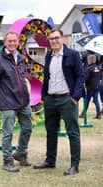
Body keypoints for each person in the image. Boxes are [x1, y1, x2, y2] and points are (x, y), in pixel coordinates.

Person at [33, 29, 85, 176]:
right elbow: (47, 76)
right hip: (50, 99)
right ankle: (50, 161)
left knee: (72, 132)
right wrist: (44, 96)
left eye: (56, 38)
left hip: (67, 99)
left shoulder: (73, 55)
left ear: (62, 39)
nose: (54, 41)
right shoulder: (49, 55)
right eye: (51, 39)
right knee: (50, 131)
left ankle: (74, 165)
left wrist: (75, 97)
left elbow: (80, 76)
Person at [0, 31, 33, 172]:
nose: (12, 43)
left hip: (23, 101)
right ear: (5, 43)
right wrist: (1, 98)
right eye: (10, 41)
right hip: (8, 102)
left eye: (15, 41)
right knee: (8, 133)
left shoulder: (20, 57)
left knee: (28, 128)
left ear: (18, 42)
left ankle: (21, 153)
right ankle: (7, 161)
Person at [79, 54, 101, 119]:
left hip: (90, 87)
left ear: (89, 60)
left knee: (87, 101)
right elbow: (100, 77)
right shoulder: (98, 68)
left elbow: (86, 78)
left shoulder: (88, 69)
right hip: (97, 86)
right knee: (96, 101)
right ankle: (98, 114)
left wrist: (83, 82)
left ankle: (83, 114)